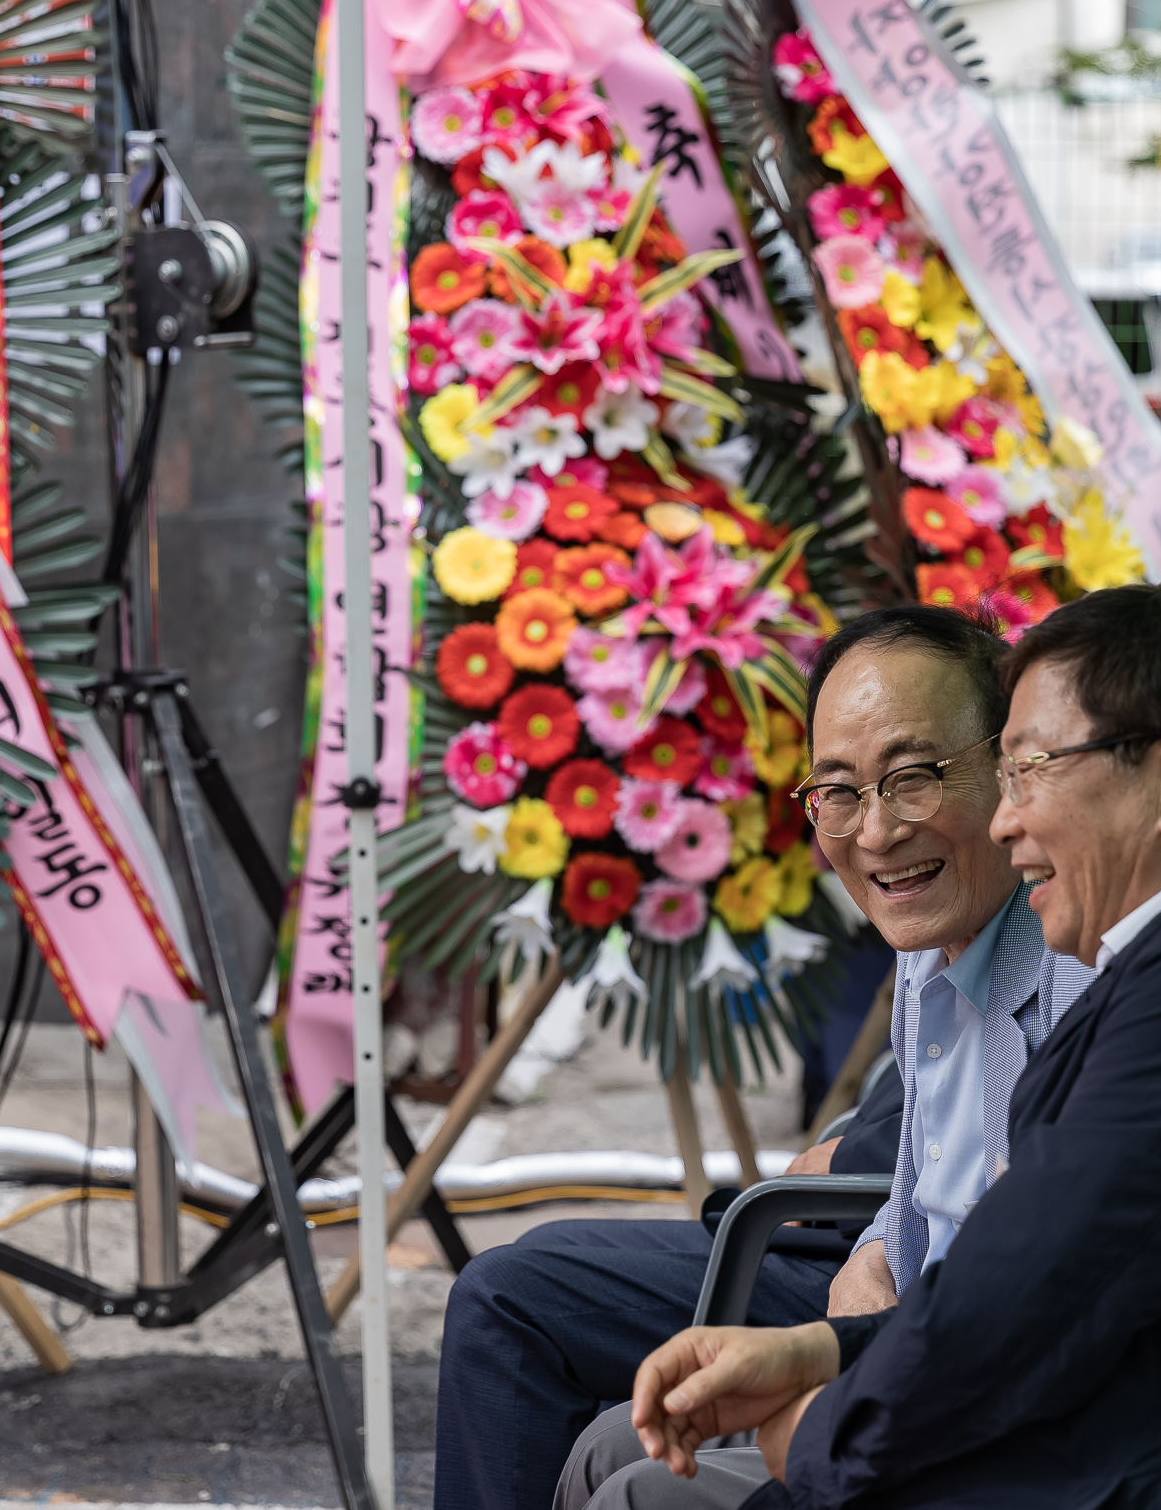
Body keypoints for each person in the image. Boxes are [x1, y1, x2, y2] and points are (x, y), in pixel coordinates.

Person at [567, 586, 1161, 1509]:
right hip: (1153, 1432)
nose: (1006, 823)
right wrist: (816, 1349)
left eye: (1029, 771)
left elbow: (1041, 1293)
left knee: (641, 1491)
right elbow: (1022, 1278)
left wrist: (819, 1430)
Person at [432, 606, 1084, 1510]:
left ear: (1010, 764)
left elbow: (1040, 1284)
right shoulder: (924, 945)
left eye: (916, 777)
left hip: (989, 1401)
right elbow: (923, 1190)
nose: (879, 831)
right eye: (841, 791)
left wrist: (840, 1348)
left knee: (634, 1485)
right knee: (594, 1439)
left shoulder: (1077, 959)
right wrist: (875, 1248)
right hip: (899, 1344)